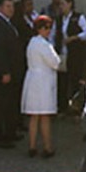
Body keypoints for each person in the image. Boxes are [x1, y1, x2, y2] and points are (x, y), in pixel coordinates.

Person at [0, 0, 26, 149]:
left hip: (14, 71)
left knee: (11, 103)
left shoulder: (10, 24)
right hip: (3, 72)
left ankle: (10, 132)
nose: (11, 9)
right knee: (0, 105)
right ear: (0, 8)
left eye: (12, 6)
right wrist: (4, 71)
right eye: (7, 6)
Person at [22, 15, 61, 157]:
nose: (48, 30)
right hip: (43, 81)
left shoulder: (32, 42)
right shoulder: (44, 44)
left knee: (34, 116)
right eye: (46, 27)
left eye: (50, 27)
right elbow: (55, 62)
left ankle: (32, 146)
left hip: (32, 79)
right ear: (39, 28)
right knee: (44, 115)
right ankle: (47, 147)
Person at [54, 0, 86, 114]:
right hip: (62, 54)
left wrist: (75, 38)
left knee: (75, 79)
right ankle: (62, 107)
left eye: (63, 4)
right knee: (62, 81)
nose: (61, 7)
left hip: (75, 55)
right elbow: (53, 35)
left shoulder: (78, 17)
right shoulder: (59, 19)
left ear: (70, 4)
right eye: (60, 4)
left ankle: (76, 109)